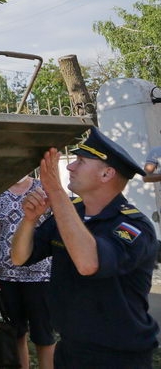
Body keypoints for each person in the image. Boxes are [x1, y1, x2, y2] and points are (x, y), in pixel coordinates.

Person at [11, 128, 159, 368]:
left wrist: (56, 191)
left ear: (106, 174)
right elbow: (19, 258)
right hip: (70, 349)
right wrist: (29, 220)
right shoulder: (72, 211)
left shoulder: (132, 226)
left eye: (80, 161)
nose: (70, 167)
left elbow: (89, 263)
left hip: (118, 356)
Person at [0, 176, 55, 368]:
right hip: (6, 275)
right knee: (15, 332)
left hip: (41, 274)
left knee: (44, 335)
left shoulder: (44, 187)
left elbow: (58, 224)